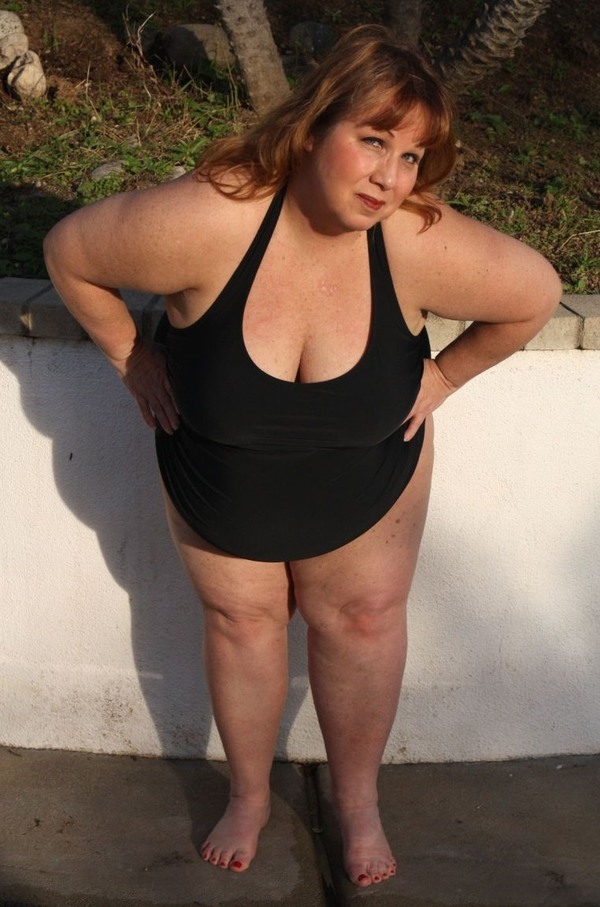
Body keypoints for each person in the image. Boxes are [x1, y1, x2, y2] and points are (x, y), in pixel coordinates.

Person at [43, 24, 561, 888]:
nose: (391, 177)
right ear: (316, 124)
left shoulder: (410, 238)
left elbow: (536, 293)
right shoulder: (212, 218)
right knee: (242, 623)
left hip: (367, 475)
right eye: (374, 141)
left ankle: (358, 804)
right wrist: (132, 359)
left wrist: (444, 375)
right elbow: (70, 253)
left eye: (411, 156)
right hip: (219, 474)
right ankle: (248, 795)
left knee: (361, 621)